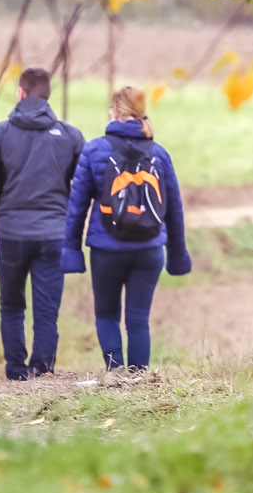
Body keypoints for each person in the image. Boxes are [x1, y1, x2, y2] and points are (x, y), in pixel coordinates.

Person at [63, 86, 191, 371]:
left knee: (107, 315)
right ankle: (138, 377)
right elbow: (174, 210)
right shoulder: (159, 154)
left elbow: (77, 206)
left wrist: (71, 250)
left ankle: (116, 371)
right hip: (149, 249)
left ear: (117, 112)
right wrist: (178, 254)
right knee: (138, 318)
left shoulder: (95, 150)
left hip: (106, 248)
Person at [0, 66, 84, 379]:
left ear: (20, 93)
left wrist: (2, 206)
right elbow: (87, 181)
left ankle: (16, 370)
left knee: (12, 306)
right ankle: (43, 369)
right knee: (47, 310)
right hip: (53, 234)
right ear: (48, 95)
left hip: (11, 233)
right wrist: (66, 208)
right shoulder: (70, 136)